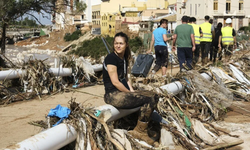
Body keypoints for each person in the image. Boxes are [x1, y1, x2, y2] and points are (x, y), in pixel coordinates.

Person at [103, 32, 159, 146]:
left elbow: (126, 78)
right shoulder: (111, 59)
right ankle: (140, 131)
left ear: (126, 45)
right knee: (147, 100)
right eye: (116, 43)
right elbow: (115, 82)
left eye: (121, 43)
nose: (118, 46)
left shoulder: (124, 59)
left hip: (121, 93)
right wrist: (130, 94)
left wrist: (133, 91)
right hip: (112, 95)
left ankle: (141, 126)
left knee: (154, 96)